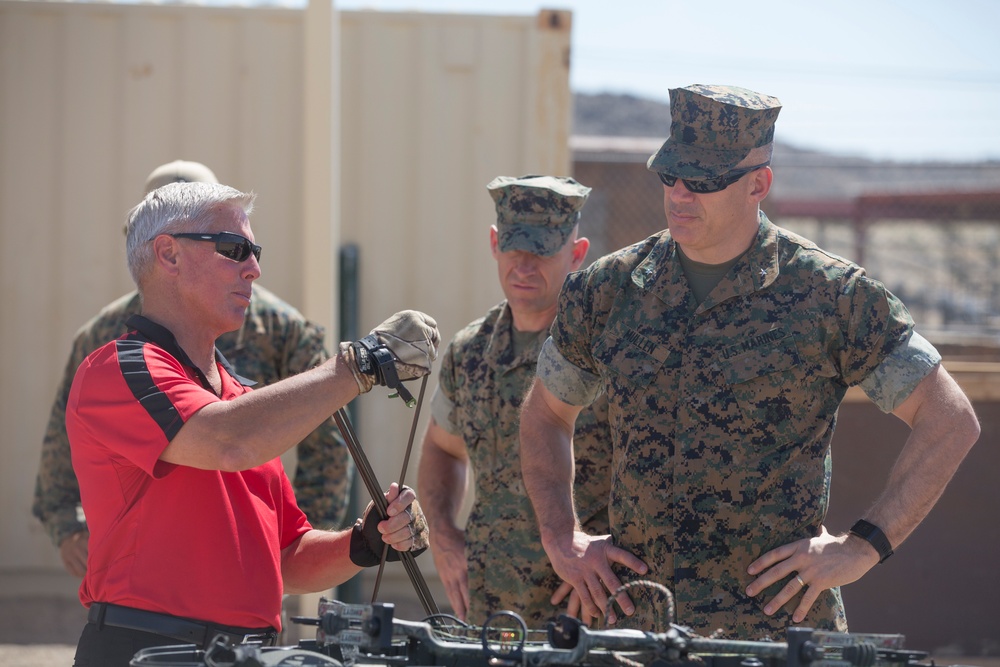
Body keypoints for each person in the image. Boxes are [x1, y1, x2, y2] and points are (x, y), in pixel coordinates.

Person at [519, 84, 980, 640]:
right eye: (670, 176)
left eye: (705, 181)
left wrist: (862, 546)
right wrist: (561, 535)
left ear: (759, 183)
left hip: (772, 634)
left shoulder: (830, 296)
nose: (680, 195)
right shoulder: (609, 289)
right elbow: (545, 414)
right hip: (642, 632)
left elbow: (950, 420)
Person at [66, 180, 439, 666]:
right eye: (234, 249)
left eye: (254, 251)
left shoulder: (242, 401)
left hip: (248, 654)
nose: (254, 268)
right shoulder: (119, 369)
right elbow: (227, 442)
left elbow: (286, 558)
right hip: (147, 649)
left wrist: (365, 542)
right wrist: (357, 364)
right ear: (168, 254)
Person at [32, 160, 354, 580]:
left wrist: (290, 548)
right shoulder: (105, 342)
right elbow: (61, 446)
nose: (250, 268)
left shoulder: (279, 327)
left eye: (245, 249)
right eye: (231, 248)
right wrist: (69, 528)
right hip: (150, 592)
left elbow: (326, 442)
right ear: (161, 249)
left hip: (249, 583)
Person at [417, 175, 612, 626]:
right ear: (493, 243)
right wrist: (444, 536)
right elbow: (443, 448)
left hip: (588, 609)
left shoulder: (601, 350)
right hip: (494, 609)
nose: (523, 265)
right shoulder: (470, 351)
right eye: (513, 247)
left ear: (577, 253)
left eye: (541, 251)